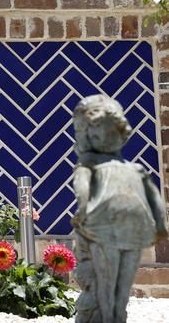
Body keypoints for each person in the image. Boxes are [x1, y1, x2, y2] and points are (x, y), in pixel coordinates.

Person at [71, 95, 167, 322]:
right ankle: (117, 316)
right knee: (123, 285)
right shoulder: (135, 168)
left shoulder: (89, 165)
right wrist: (162, 226)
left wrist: (81, 213)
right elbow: (155, 199)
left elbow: (82, 192)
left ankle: (109, 316)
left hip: (104, 227)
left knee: (106, 284)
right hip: (135, 227)